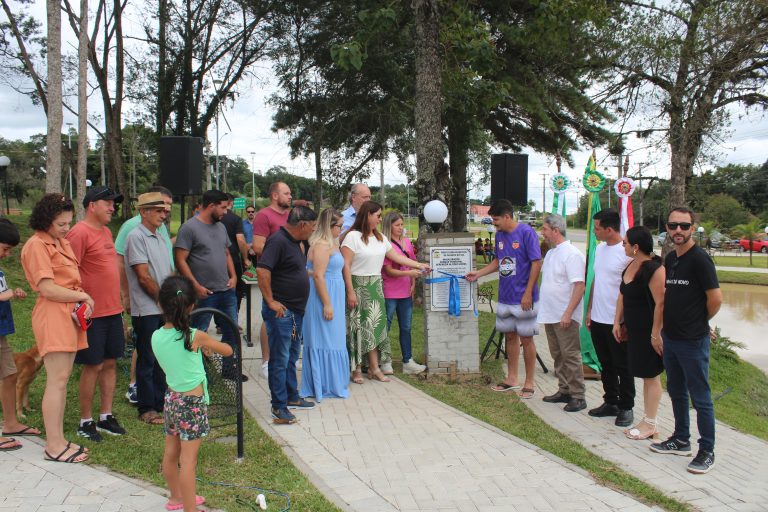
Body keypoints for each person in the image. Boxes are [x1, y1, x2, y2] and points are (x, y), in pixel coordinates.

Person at [21, 193, 93, 463]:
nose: (66, 228)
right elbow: (47, 288)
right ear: (45, 220)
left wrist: (80, 298)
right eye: (61, 224)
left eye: (68, 223)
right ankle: (53, 445)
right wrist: (82, 297)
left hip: (68, 315)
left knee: (61, 382)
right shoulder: (36, 245)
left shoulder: (59, 242)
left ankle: (59, 439)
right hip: (54, 314)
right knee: (57, 380)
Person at [650, 207, 721, 475]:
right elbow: (668, 298)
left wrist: (701, 323)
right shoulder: (671, 258)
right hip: (672, 338)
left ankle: (707, 450)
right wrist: (659, 331)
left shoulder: (700, 259)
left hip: (693, 340)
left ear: (693, 228)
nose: (678, 230)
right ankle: (681, 439)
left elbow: (715, 299)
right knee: (677, 391)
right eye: (673, 225)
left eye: (684, 226)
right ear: (667, 228)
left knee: (701, 397)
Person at [152, 275, 233, 512]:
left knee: (170, 453)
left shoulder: (156, 336)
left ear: (160, 304)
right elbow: (227, 350)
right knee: (188, 461)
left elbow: (180, 358)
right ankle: (190, 509)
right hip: (192, 404)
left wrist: (200, 349)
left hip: (172, 400)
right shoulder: (195, 336)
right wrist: (208, 344)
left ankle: (176, 497)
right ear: (191, 306)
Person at [342, 201, 429, 384]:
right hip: (358, 285)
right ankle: (356, 369)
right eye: (378, 216)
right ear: (368, 216)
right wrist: (350, 291)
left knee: (375, 329)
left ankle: (374, 368)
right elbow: (346, 267)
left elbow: (397, 257)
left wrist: (420, 265)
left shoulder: (380, 237)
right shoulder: (353, 237)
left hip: (375, 286)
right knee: (357, 328)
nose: (381, 219)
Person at [66, 186, 127, 442]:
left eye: (114, 204)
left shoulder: (105, 232)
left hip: (113, 310)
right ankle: (85, 420)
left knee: (111, 362)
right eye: (108, 203)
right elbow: (69, 272)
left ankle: (105, 416)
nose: (113, 207)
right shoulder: (78, 232)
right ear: (92, 205)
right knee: (94, 365)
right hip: (92, 314)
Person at [466, 200, 541, 398]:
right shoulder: (499, 235)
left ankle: (530, 382)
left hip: (524, 298)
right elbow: (499, 261)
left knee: (526, 338)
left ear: (507, 217)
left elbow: (536, 263)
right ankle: (512, 379)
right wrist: (479, 273)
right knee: (509, 336)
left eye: (496, 219)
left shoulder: (526, 233)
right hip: (505, 296)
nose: (494, 223)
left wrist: (528, 293)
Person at [256, 206, 318, 424]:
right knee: (280, 359)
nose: (313, 231)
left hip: (296, 311)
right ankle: (278, 407)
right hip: (282, 311)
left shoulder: (295, 243)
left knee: (291, 355)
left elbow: (290, 269)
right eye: (312, 226)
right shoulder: (278, 241)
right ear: (302, 224)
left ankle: (292, 396)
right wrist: (271, 301)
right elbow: (263, 270)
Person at [174, 189, 242, 381]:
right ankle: (198, 373)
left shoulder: (220, 227)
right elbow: (180, 260)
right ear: (211, 206)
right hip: (204, 293)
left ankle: (229, 370)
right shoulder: (189, 228)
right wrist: (195, 285)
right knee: (198, 332)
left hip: (226, 290)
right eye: (223, 207)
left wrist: (234, 276)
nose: (226, 212)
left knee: (231, 330)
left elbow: (227, 253)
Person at [115, 186, 174, 405]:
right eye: (158, 210)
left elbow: (167, 272)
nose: (163, 214)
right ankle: (146, 407)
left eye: (165, 211)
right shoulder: (136, 236)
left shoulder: (159, 236)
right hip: (147, 308)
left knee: (161, 358)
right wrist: (163, 300)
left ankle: (160, 402)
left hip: (162, 306)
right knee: (147, 358)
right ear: (144, 212)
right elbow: (143, 276)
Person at [613, 226, 665, 441]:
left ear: (635, 247)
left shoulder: (653, 269)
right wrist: (617, 321)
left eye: (625, 242)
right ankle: (647, 420)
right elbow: (622, 295)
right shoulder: (630, 266)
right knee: (643, 375)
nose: (622, 245)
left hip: (648, 332)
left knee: (651, 376)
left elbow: (661, 303)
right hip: (633, 331)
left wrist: (655, 334)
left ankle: (651, 423)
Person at [586, 209, 635, 427]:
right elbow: (597, 279)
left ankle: (627, 407)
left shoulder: (627, 253)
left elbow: (630, 288)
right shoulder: (600, 248)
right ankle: (610, 401)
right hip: (598, 317)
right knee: (605, 362)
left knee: (622, 365)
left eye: (597, 228)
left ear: (609, 229)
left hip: (617, 320)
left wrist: (624, 321)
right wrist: (589, 311)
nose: (594, 231)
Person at [538, 214, 588, 412]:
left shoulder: (572, 254)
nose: (543, 233)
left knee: (570, 355)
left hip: (564, 315)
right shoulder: (551, 253)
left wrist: (568, 313)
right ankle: (564, 389)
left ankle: (578, 395)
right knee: (557, 354)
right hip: (550, 313)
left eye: (545, 229)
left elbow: (579, 285)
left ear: (555, 231)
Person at [300, 209, 349, 401]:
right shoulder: (320, 245)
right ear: (329, 226)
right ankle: (324, 384)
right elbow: (318, 275)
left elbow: (310, 271)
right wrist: (327, 304)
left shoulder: (332, 244)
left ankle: (333, 382)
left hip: (334, 292)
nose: (341, 229)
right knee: (326, 338)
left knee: (334, 338)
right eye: (339, 226)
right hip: (324, 296)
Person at [0, 219, 40, 451]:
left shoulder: (1, 270)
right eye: (5, 249)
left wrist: (13, 291)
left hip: (2, 332)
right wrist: (6, 296)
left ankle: (11, 423)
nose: (6, 255)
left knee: (10, 375)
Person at [252, 182, 293, 380]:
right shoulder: (264, 216)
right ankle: (266, 361)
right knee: (270, 316)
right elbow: (258, 247)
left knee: (289, 316)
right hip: (272, 274)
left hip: (291, 275)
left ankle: (286, 357)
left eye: (290, 193)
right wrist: (283, 251)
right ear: (275, 196)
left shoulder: (290, 215)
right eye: (287, 193)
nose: (290, 196)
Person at [381, 211, 426, 374]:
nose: (401, 228)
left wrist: (413, 283)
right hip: (390, 292)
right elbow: (389, 270)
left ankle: (408, 361)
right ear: (389, 226)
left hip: (406, 291)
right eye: (397, 225)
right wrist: (410, 274)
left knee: (406, 327)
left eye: (402, 224)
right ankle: (384, 361)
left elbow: (413, 263)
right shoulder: (386, 244)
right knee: (386, 327)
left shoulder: (406, 241)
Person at [221, 194, 251, 314]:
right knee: (238, 288)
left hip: (215, 260)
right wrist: (245, 258)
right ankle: (232, 317)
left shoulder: (213, 218)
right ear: (231, 203)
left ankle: (218, 322)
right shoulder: (235, 219)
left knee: (218, 290)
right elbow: (240, 240)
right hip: (232, 259)